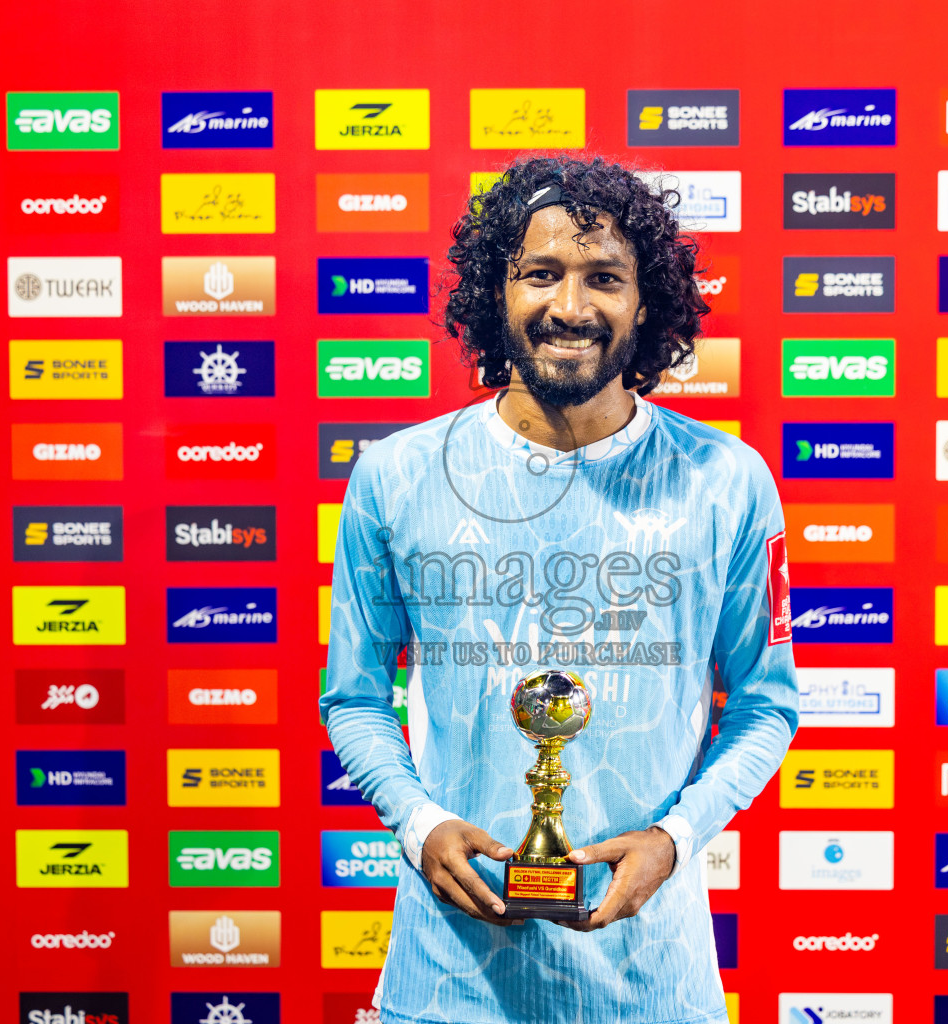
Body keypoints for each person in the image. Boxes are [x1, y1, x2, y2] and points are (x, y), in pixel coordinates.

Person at [320, 155, 799, 1024]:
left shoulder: (726, 480)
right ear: (493, 293)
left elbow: (766, 706)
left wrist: (675, 840)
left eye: (604, 278)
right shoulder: (395, 476)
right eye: (540, 273)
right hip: (447, 983)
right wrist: (417, 821)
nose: (570, 308)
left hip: (655, 984)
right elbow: (353, 698)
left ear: (645, 303)